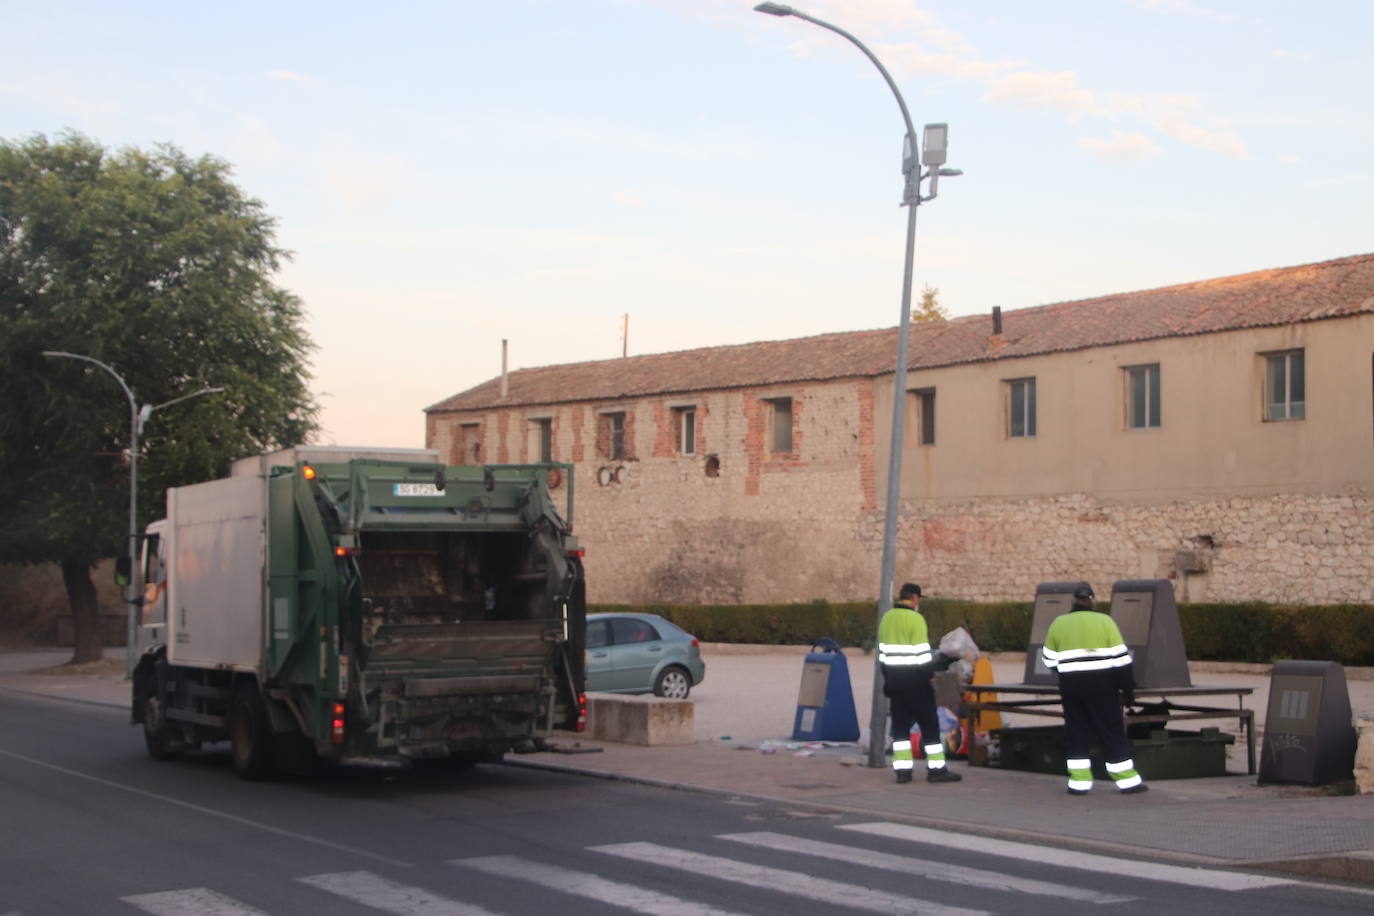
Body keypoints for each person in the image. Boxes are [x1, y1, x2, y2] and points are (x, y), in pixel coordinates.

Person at [1041, 585, 1147, 795]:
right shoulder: (1105, 622)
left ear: (1073, 601)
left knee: (1077, 731)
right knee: (1111, 730)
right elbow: (1122, 660)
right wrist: (1128, 689)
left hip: (1071, 687)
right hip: (1103, 686)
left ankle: (1079, 783)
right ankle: (1127, 781)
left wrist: (1068, 670)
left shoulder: (1058, 624)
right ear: (1092, 601)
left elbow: (1048, 659)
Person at [878, 583, 961, 784]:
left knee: (900, 728)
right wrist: (930, 679)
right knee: (929, 725)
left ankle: (903, 772)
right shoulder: (916, 619)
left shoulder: (886, 618)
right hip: (915, 683)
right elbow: (923, 657)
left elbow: (882, 656)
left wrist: (888, 680)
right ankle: (936, 770)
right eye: (919, 599)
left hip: (894, 683)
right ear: (914, 598)